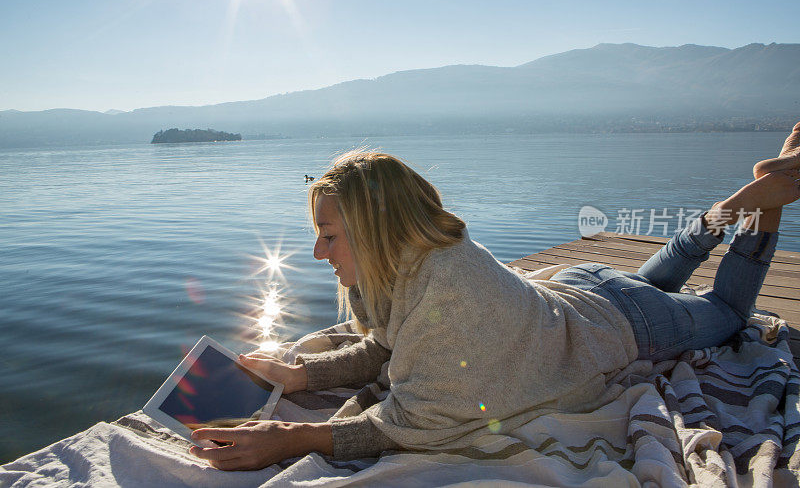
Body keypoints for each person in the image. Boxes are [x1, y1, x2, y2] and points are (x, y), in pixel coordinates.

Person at [189, 123, 800, 471]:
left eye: (328, 235)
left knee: (724, 316)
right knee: (649, 280)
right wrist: (299, 377)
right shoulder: (413, 262)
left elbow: (413, 425)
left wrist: (295, 437)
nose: (320, 253)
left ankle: (761, 212)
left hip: (617, 325)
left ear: (374, 229)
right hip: (580, 289)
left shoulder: (449, 295)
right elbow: (384, 347)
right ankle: (733, 207)